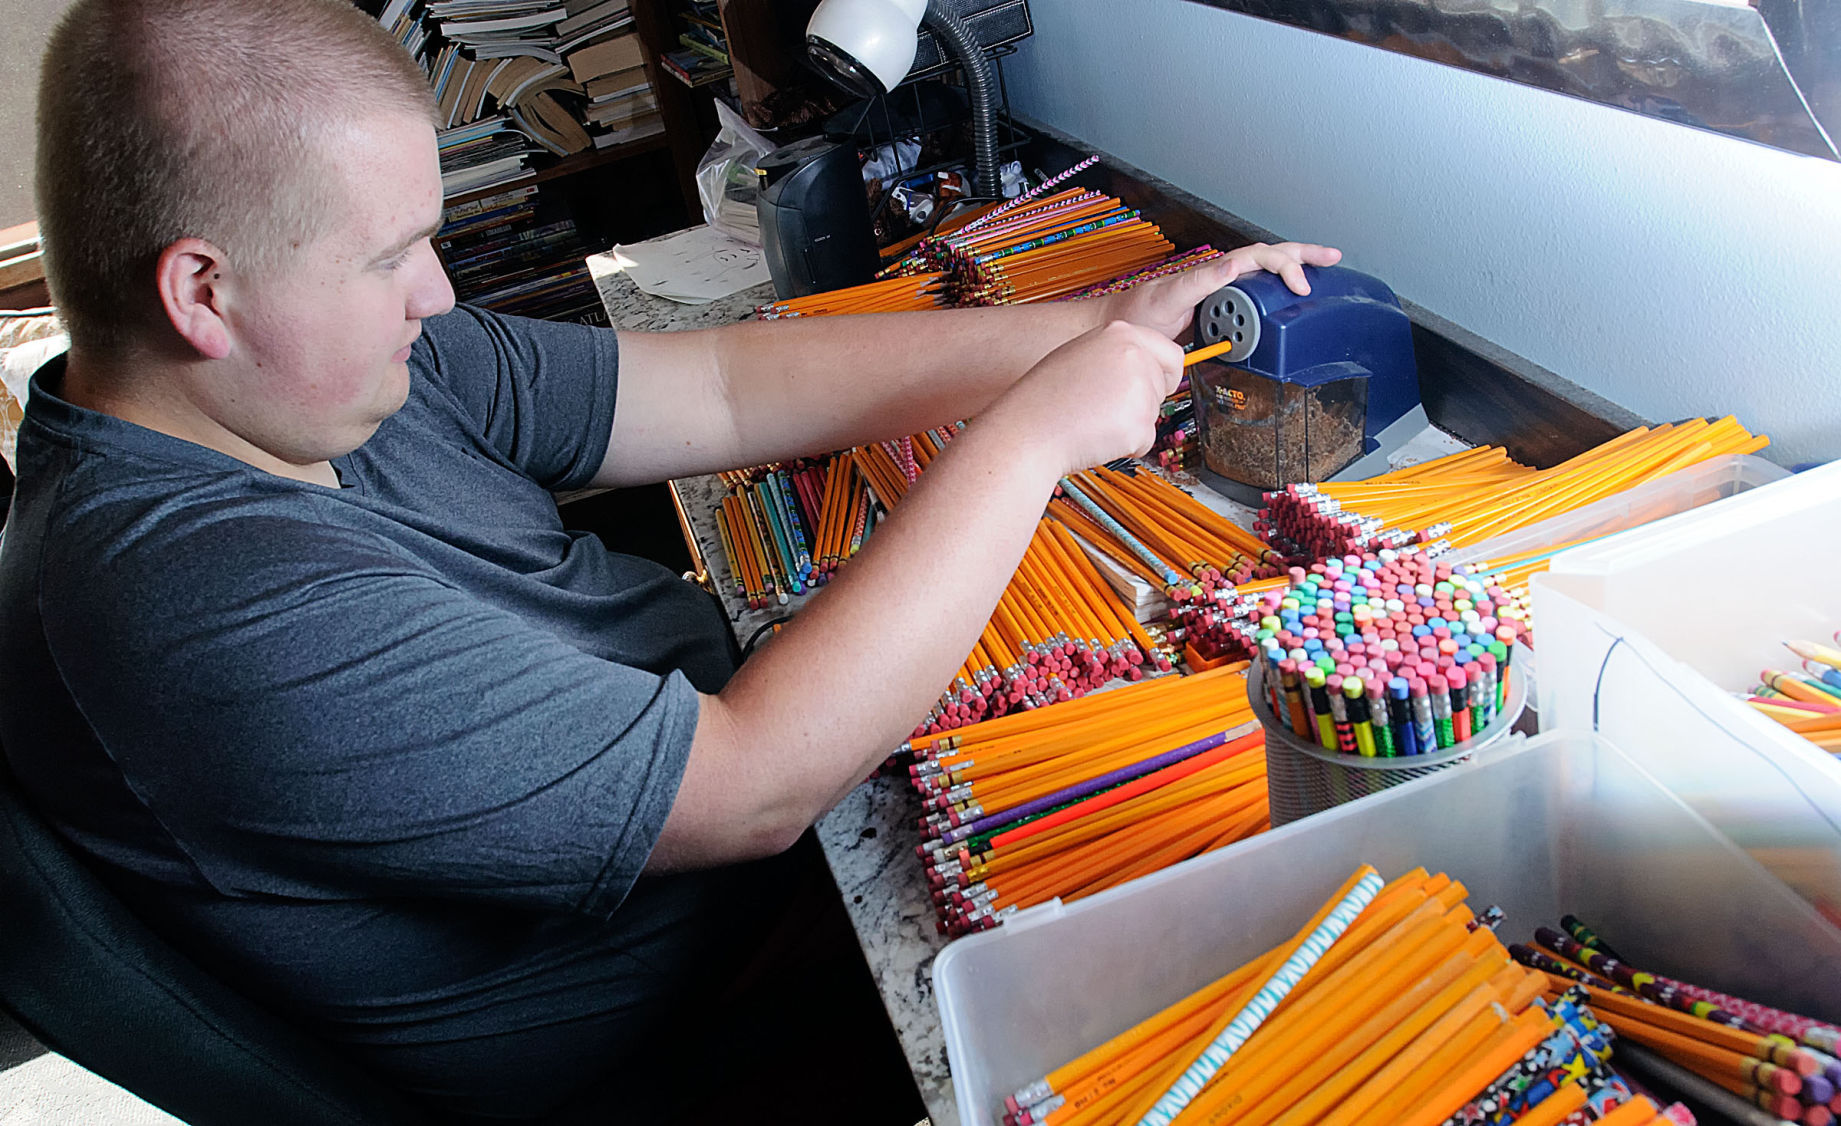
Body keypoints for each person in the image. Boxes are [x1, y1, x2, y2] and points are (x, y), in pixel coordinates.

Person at [0, 0, 1342, 1120]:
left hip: (762, 864)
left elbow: (723, 387)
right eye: (391, 257)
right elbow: (750, 783)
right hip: (725, 1022)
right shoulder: (190, 606)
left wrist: (1101, 326)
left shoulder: (320, 379)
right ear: (202, 294)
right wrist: (1027, 440)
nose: (439, 297)